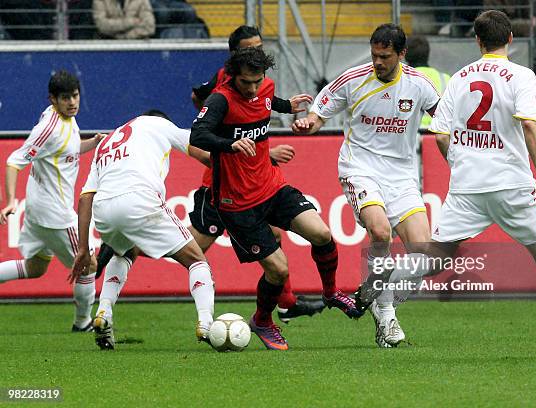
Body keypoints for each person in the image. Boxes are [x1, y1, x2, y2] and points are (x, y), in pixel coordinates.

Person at [96, 24, 325, 324]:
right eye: (249, 47)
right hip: (221, 187)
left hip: (244, 183)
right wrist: (234, 139)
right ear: (234, 56)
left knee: (273, 234)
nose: (256, 51)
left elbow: (252, 114)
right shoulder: (223, 85)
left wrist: (278, 117)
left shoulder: (254, 80)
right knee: (191, 251)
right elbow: (208, 120)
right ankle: (128, 244)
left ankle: (286, 303)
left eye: (259, 45)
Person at [427, 10, 536, 359]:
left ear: (477, 40)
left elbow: (440, 135)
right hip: (511, 185)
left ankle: (380, 290)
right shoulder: (521, 75)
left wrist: (461, 164)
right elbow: (529, 125)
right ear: (509, 39)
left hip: (467, 188)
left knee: (432, 259)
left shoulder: (458, 77)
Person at [190, 47, 360, 351]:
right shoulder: (221, 99)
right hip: (237, 203)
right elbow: (198, 136)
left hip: (271, 186)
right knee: (278, 270)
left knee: (321, 234)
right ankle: (263, 321)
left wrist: (287, 105)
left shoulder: (264, 88)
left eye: (257, 81)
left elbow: (266, 101)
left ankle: (331, 292)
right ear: (232, 77)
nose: (252, 88)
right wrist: (229, 144)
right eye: (245, 83)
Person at [292, 24, 440, 348]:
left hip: (401, 175)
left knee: (423, 251)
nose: (378, 62)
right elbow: (319, 113)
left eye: (385, 56)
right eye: (374, 55)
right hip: (360, 169)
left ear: (401, 55)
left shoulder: (419, 85)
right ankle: (381, 305)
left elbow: (443, 118)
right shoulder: (354, 79)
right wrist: (308, 124)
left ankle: (379, 297)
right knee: (381, 231)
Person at [70, 111, 215, 350]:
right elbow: (204, 153)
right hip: (140, 199)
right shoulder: (159, 123)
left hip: (104, 209)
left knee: (124, 252)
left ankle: (104, 311)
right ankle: (207, 323)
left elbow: (85, 198)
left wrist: (84, 249)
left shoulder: (107, 141)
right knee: (197, 260)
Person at [0, 70, 102, 332]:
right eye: (65, 98)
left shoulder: (65, 118)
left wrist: (92, 143)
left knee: (35, 268)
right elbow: (14, 161)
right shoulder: (48, 128)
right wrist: (10, 201)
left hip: (38, 211)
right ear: (53, 99)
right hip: (54, 213)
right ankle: (83, 323)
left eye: (75, 96)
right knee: (88, 264)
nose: (72, 102)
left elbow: (66, 149)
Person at [404, 35, 451, 128]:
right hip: (439, 132)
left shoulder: (403, 79)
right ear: (428, 53)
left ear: (404, 54)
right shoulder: (445, 78)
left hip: (413, 133)